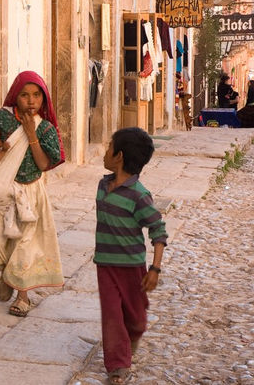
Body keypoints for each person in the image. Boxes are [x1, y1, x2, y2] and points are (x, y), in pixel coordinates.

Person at [0, 70, 65, 317]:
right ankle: (10, 277)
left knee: (26, 243)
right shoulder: (2, 119)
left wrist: (31, 135)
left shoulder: (45, 129)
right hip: (4, 194)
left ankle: (23, 297)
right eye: (24, 95)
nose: (31, 101)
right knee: (6, 243)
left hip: (31, 194)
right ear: (15, 97)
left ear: (44, 99)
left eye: (36, 96)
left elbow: (43, 164)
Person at [94, 127, 168, 385]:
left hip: (132, 267)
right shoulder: (103, 185)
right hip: (105, 265)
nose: (104, 151)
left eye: (109, 146)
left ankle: (131, 338)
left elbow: (158, 230)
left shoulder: (139, 195)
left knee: (135, 320)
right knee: (112, 315)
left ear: (119, 156)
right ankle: (117, 366)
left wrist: (155, 269)